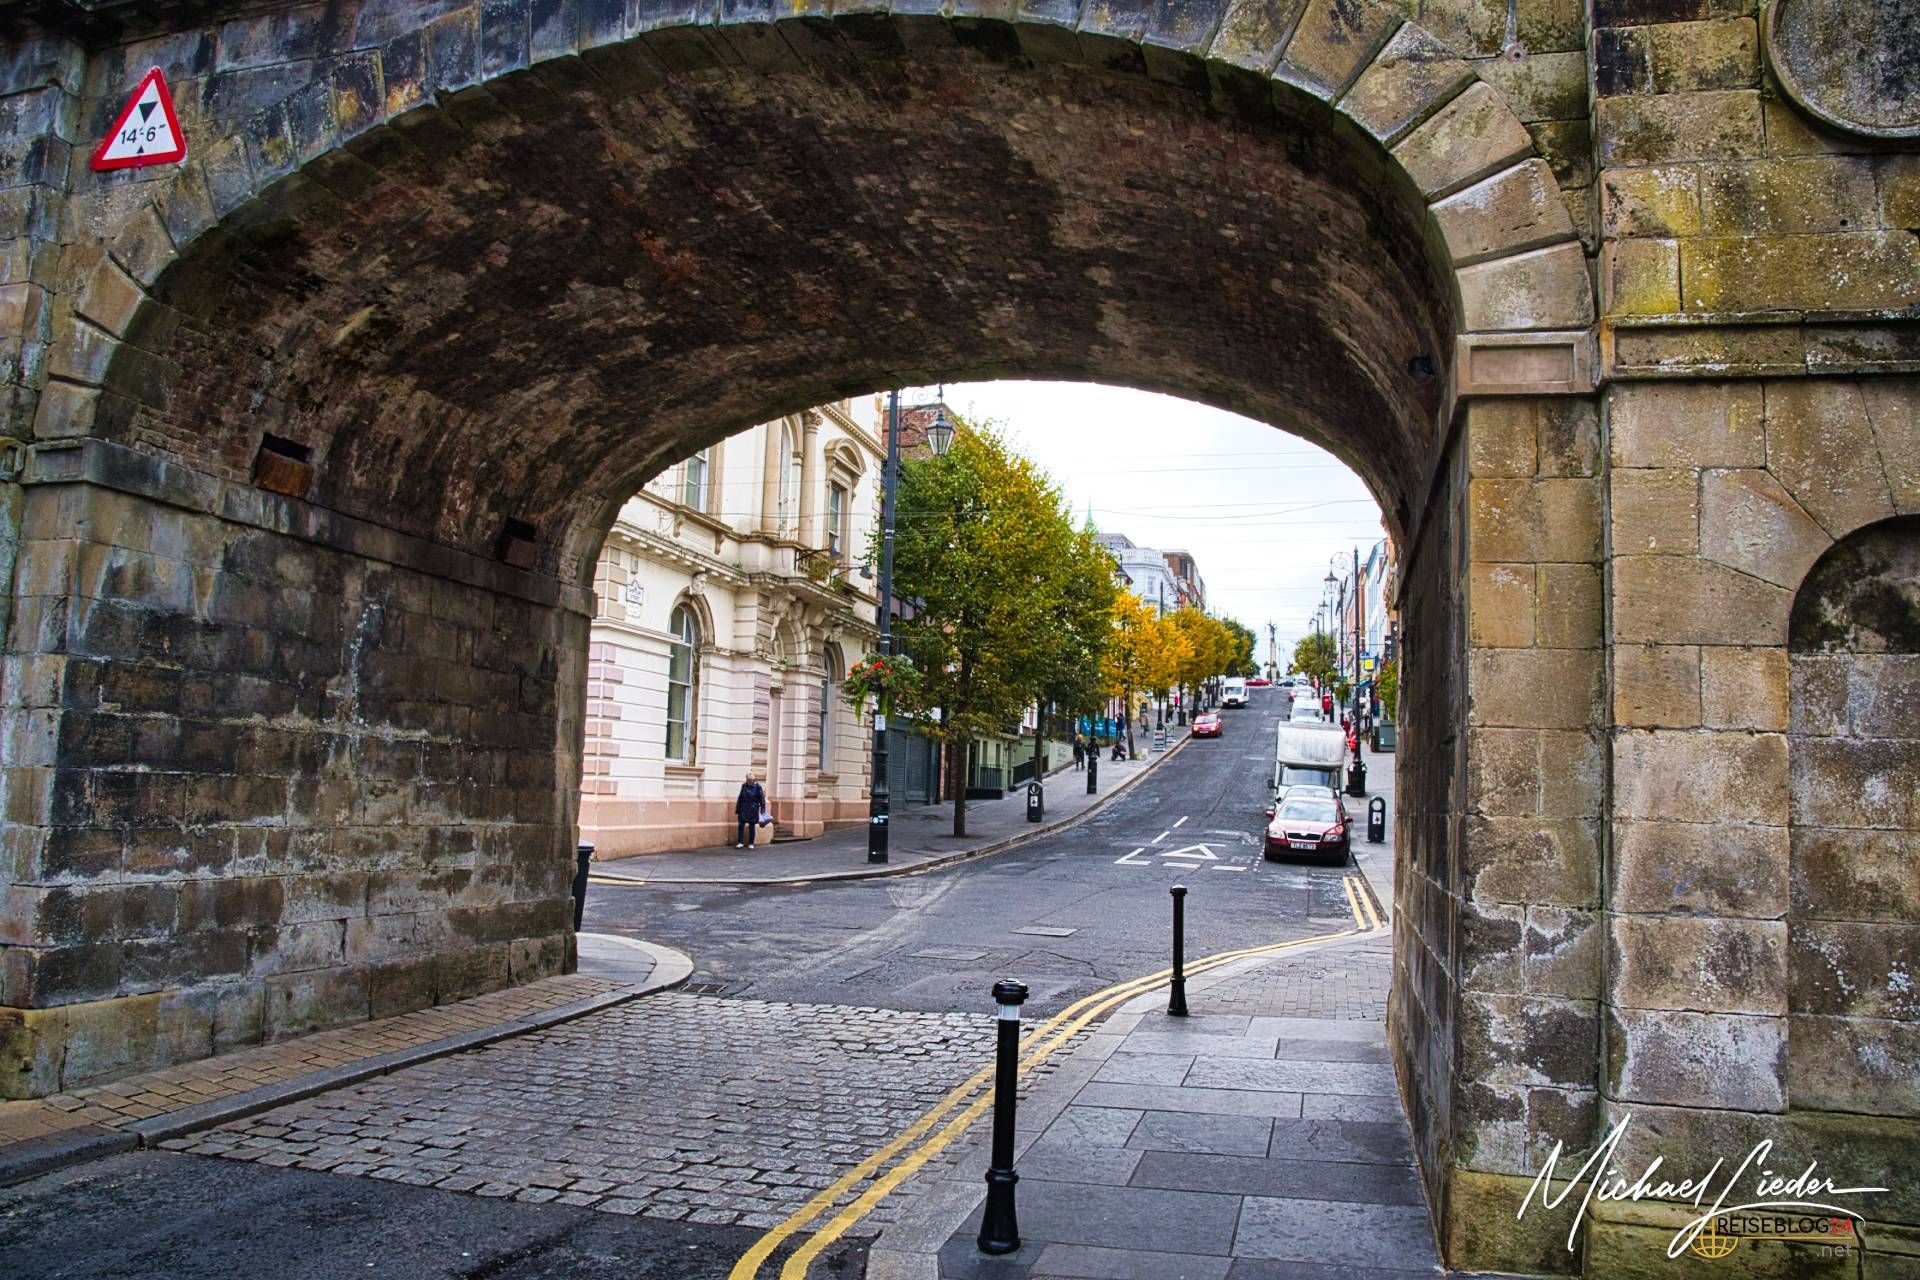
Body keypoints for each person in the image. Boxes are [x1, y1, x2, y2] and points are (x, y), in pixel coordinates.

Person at [734, 773, 767, 849]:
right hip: (743, 808)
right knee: (741, 825)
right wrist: (738, 808)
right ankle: (740, 842)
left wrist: (763, 811)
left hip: (753, 809)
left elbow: (762, 799)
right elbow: (740, 797)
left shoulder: (758, 787)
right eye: (748, 780)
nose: (749, 782)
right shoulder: (744, 786)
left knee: (752, 826)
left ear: (753, 780)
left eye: (750, 780)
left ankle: (751, 843)